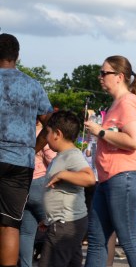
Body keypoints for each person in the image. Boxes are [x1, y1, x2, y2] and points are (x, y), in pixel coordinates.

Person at [83, 55, 136, 267]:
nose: (100, 77)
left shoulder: (128, 102)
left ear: (119, 76)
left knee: (130, 240)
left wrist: (100, 131)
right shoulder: (117, 104)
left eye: (104, 73)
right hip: (110, 179)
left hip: (126, 176)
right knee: (96, 240)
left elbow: (135, 139)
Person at [0, 33, 53, 267]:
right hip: (21, 162)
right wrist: (35, 147)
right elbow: (50, 120)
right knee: (10, 224)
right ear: (17, 56)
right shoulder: (33, 85)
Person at [38, 110, 96, 267]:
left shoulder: (72, 155)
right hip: (65, 222)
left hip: (65, 224)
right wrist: (49, 218)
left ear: (57, 134)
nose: (46, 137)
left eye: (47, 132)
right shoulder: (62, 155)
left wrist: (63, 174)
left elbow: (89, 178)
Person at [19, 123, 56, 267]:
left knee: (26, 233)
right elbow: (52, 159)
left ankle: (25, 264)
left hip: (21, 185)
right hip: (39, 184)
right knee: (56, 227)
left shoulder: (18, 131)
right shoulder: (41, 133)